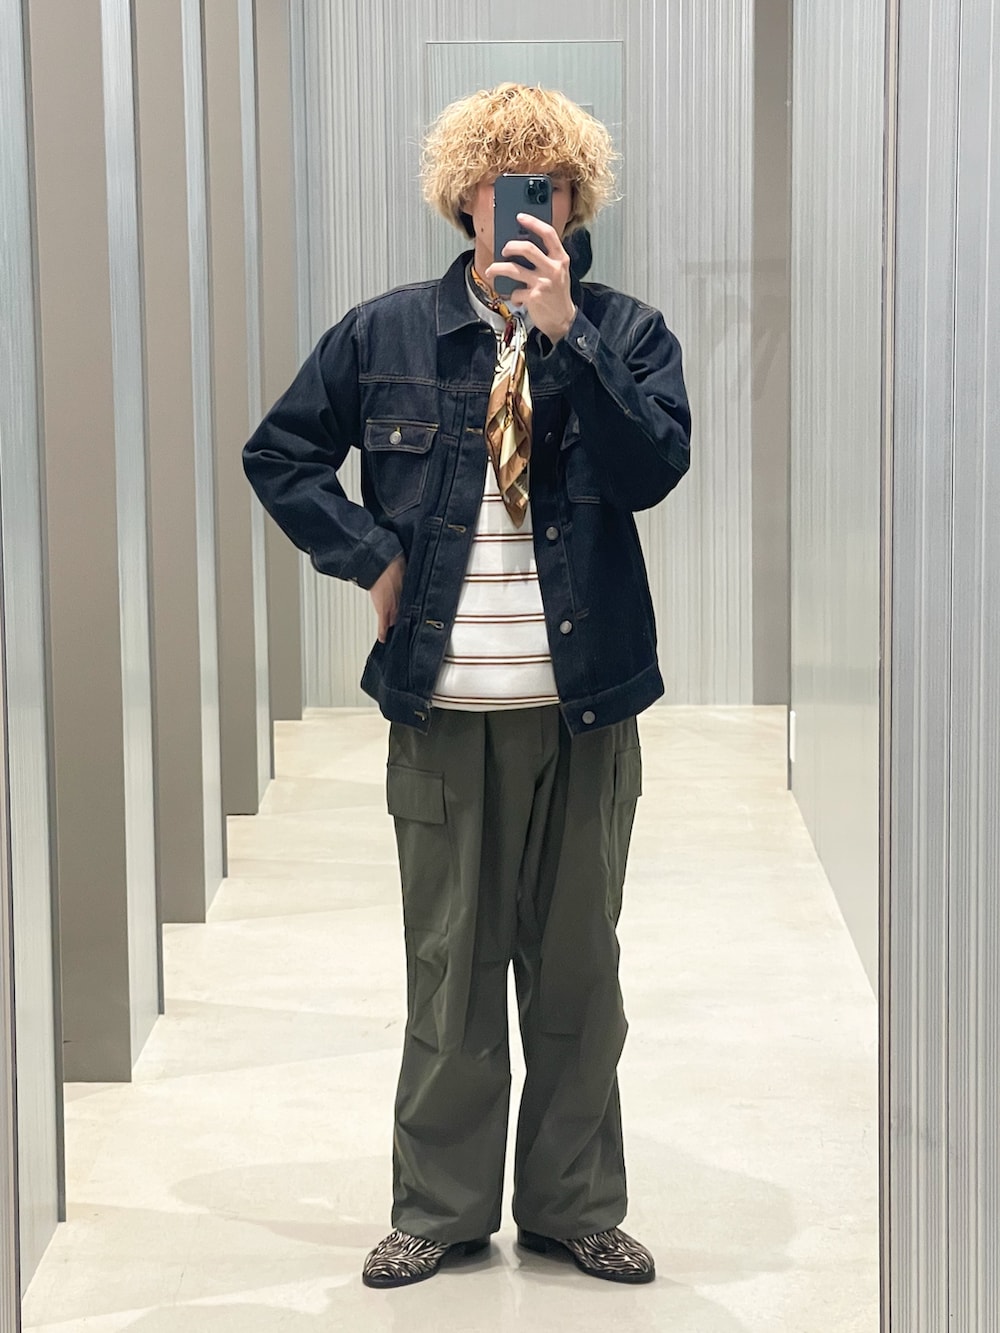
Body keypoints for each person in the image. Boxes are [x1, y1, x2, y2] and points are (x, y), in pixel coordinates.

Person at [243, 83, 691, 1289]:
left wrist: (568, 335)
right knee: (448, 972)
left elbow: (653, 469)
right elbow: (280, 452)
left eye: (549, 184)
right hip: (442, 712)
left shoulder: (626, 332)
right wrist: (368, 555)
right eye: (502, 186)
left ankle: (572, 1204)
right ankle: (439, 1210)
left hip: (584, 709)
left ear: (577, 201)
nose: (526, 207)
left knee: (579, 974)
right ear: (463, 199)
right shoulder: (382, 334)